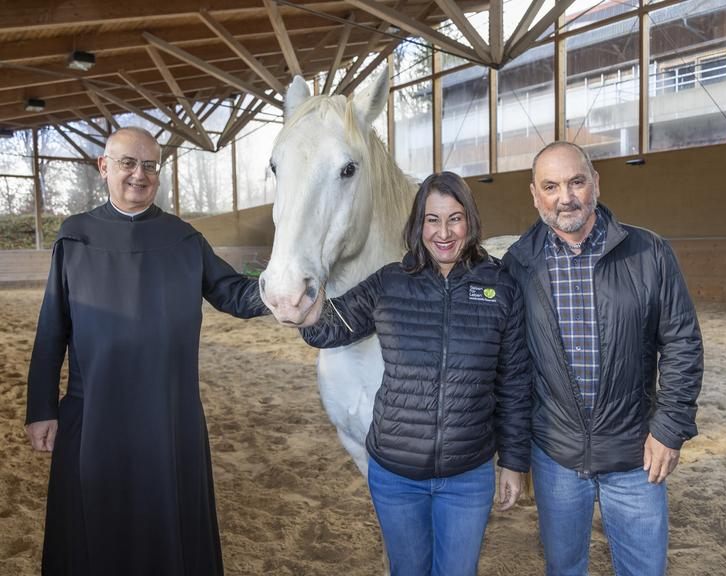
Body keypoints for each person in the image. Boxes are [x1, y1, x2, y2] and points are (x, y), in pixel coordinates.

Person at [25, 126, 268, 576]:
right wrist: (41, 408)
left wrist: (284, 291)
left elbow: (233, 293)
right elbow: (51, 329)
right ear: (103, 167)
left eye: (150, 165)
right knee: (92, 526)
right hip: (93, 410)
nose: (139, 174)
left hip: (169, 414)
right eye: (128, 163)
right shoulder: (75, 237)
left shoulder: (184, 239)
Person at [300, 172, 532, 576]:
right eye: (432, 219)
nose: (443, 233)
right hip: (396, 476)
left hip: (468, 476)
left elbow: (514, 382)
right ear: (418, 224)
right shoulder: (390, 282)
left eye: (455, 219)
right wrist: (302, 296)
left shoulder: (500, 287)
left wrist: (513, 461)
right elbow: (327, 329)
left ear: (470, 221)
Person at [502, 141, 704, 576]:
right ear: (535, 195)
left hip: (636, 454)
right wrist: (515, 457)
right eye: (551, 186)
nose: (565, 197)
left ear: (596, 182)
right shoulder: (517, 266)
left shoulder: (649, 252)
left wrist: (669, 430)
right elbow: (513, 372)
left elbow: (682, 344)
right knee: (564, 568)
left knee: (643, 569)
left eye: (576, 182)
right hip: (556, 457)